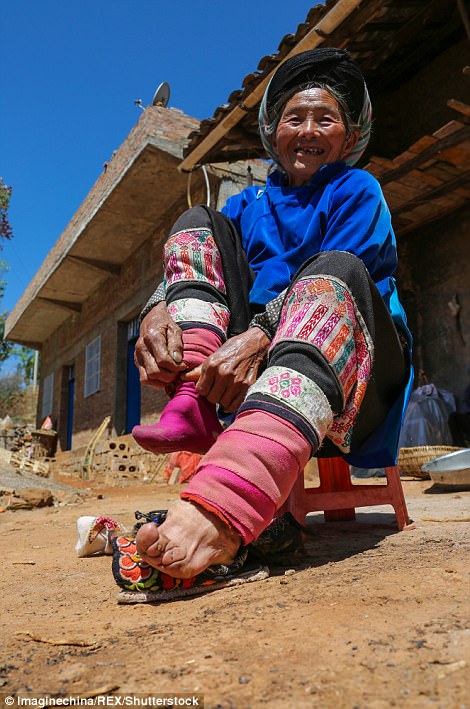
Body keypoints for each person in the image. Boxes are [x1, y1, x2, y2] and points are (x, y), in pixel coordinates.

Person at [130, 48, 413, 581]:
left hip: (355, 378)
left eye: (325, 119)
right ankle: (192, 404)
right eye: (294, 118)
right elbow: (193, 269)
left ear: (349, 139)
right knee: (197, 220)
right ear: (272, 133)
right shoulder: (246, 205)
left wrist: (259, 336)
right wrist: (157, 308)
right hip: (245, 383)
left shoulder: (357, 190)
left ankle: (222, 509)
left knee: (335, 268)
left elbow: (343, 281)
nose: (308, 130)